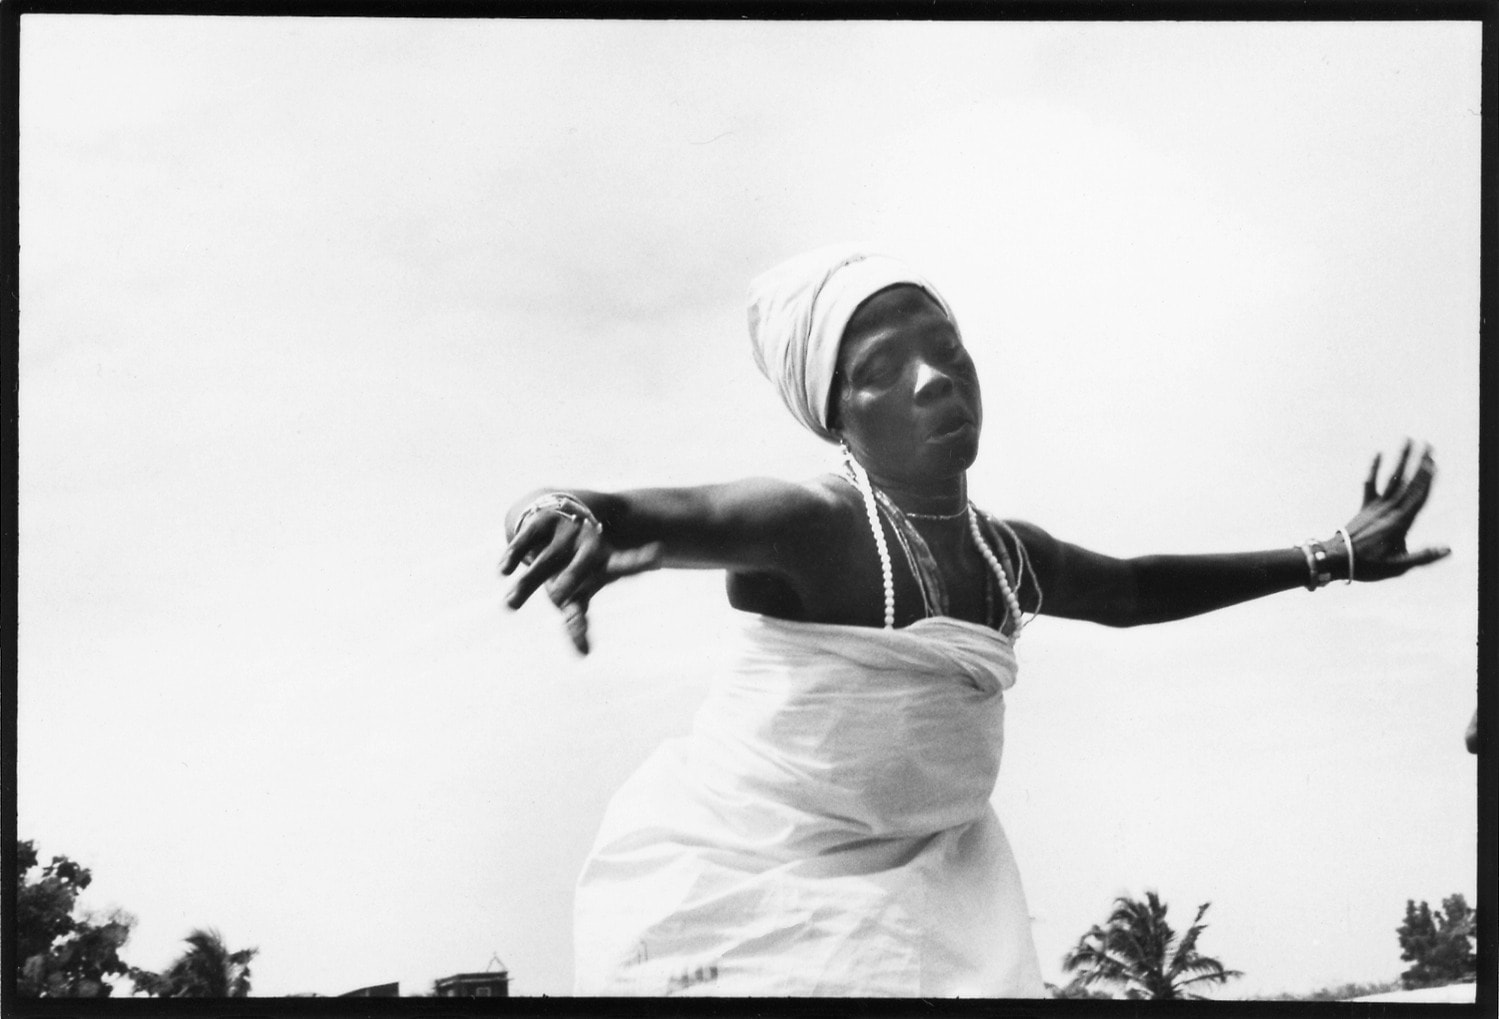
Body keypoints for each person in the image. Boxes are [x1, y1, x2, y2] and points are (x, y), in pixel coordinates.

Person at [499, 244, 1449, 997]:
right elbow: (639, 511)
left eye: (946, 353)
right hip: (749, 890)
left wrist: (1332, 556)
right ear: (836, 420)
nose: (933, 380)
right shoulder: (810, 524)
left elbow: (1128, 588)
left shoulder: (1002, 554)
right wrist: (566, 514)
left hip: (929, 887)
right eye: (883, 368)